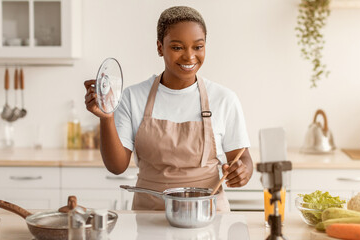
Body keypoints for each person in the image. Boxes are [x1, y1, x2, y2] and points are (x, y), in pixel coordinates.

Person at [84, 6, 253, 212]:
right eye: (177, 47)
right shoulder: (133, 97)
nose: (189, 56)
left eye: (198, 47)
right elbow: (117, 167)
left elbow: (242, 157)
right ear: (159, 47)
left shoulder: (224, 99)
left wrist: (243, 171)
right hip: (148, 217)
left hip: (208, 217)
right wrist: (106, 117)